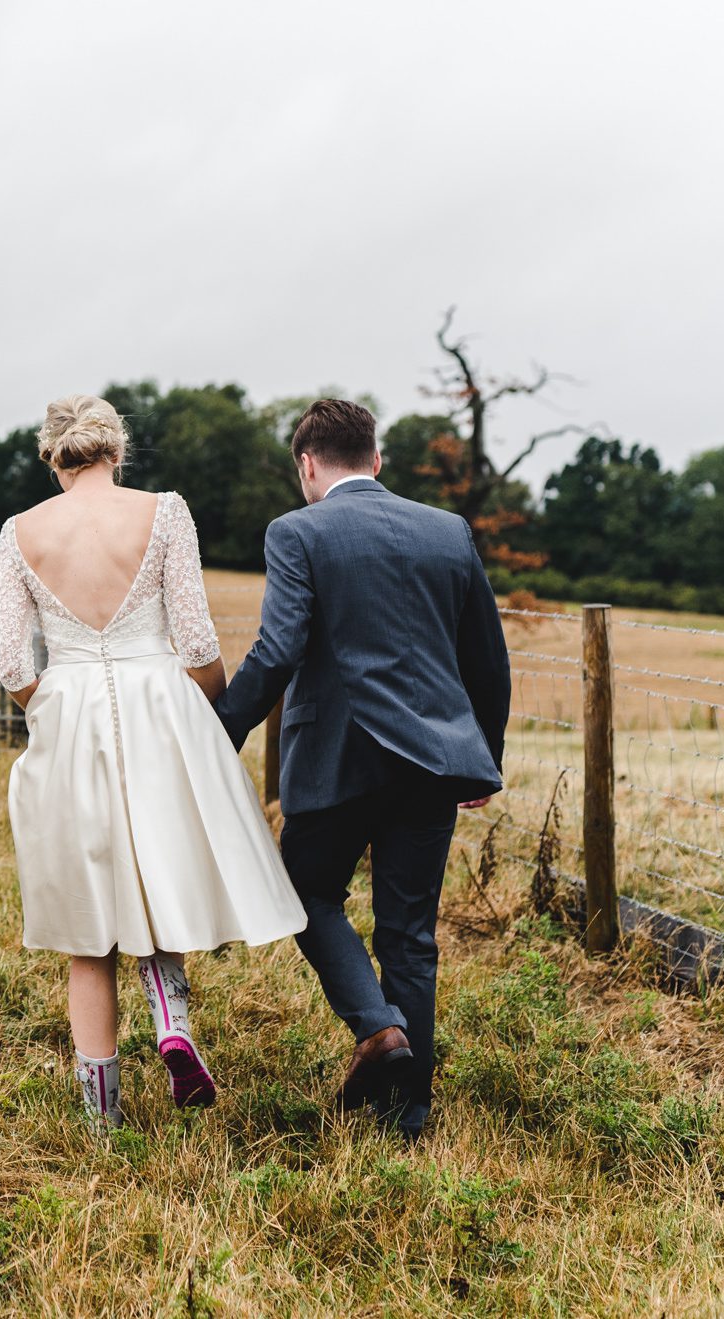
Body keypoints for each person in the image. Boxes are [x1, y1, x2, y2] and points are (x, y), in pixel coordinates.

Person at [0, 395, 306, 1128]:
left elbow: (11, 660)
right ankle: (171, 1022)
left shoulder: (18, 533)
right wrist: (208, 715)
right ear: (117, 450)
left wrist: (51, 708)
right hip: (159, 707)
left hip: (67, 712)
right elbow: (197, 641)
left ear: (53, 457)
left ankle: (103, 1123)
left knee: (86, 920)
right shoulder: (165, 511)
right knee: (157, 874)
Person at [214, 398, 510, 1139]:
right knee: (409, 935)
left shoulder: (296, 531)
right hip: (435, 763)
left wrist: (218, 734)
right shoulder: (448, 531)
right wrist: (483, 760)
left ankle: (378, 1030)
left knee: (302, 891)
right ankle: (408, 1114)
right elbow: (487, 660)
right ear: (377, 461)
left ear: (308, 465)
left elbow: (277, 651)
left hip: (336, 759)